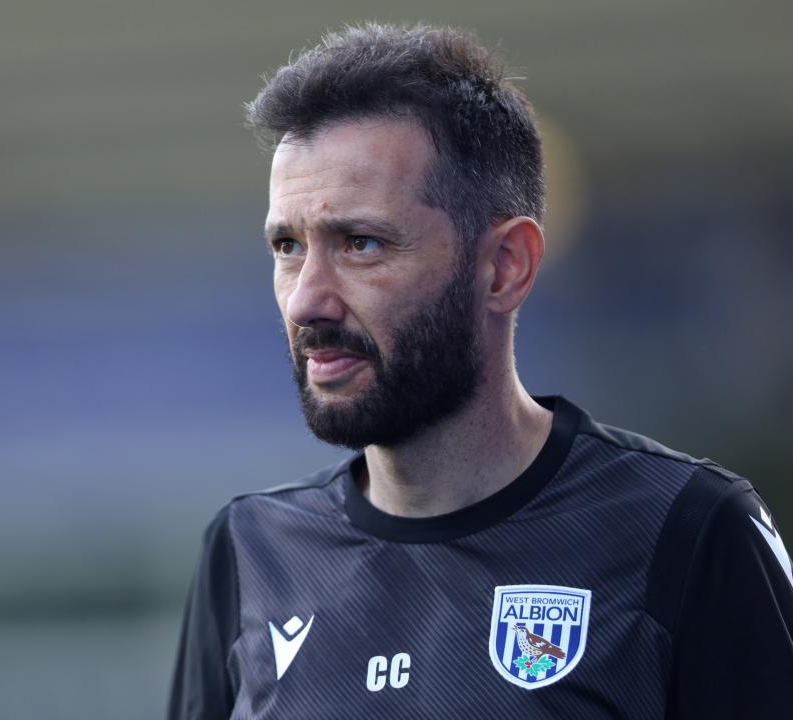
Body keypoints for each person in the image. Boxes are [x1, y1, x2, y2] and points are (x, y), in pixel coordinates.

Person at [168, 23, 793, 719]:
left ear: (505, 267)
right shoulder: (249, 553)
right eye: (288, 246)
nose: (308, 298)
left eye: (361, 242)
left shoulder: (686, 532)